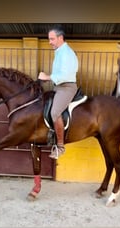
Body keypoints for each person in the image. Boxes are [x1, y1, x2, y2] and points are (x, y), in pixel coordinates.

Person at [38, 25, 79, 159]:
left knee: (55, 112)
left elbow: (66, 74)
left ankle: (60, 146)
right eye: (49, 39)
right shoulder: (60, 52)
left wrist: (47, 77)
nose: (50, 42)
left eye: (52, 39)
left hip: (67, 87)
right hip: (58, 87)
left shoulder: (67, 53)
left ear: (60, 38)